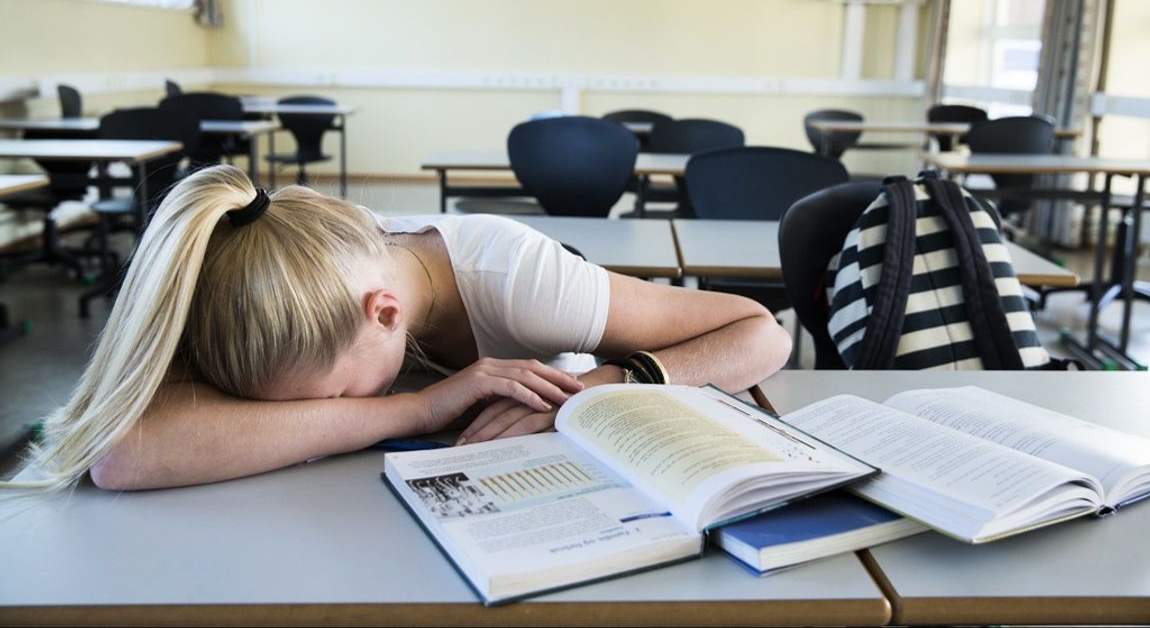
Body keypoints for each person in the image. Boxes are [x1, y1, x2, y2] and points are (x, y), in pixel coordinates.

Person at [6, 164, 790, 492]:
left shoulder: (519, 283)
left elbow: (760, 332)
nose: (319, 415)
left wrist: (598, 387)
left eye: (328, 395)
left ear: (384, 315)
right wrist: (419, 406)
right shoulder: (265, 272)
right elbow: (118, 453)